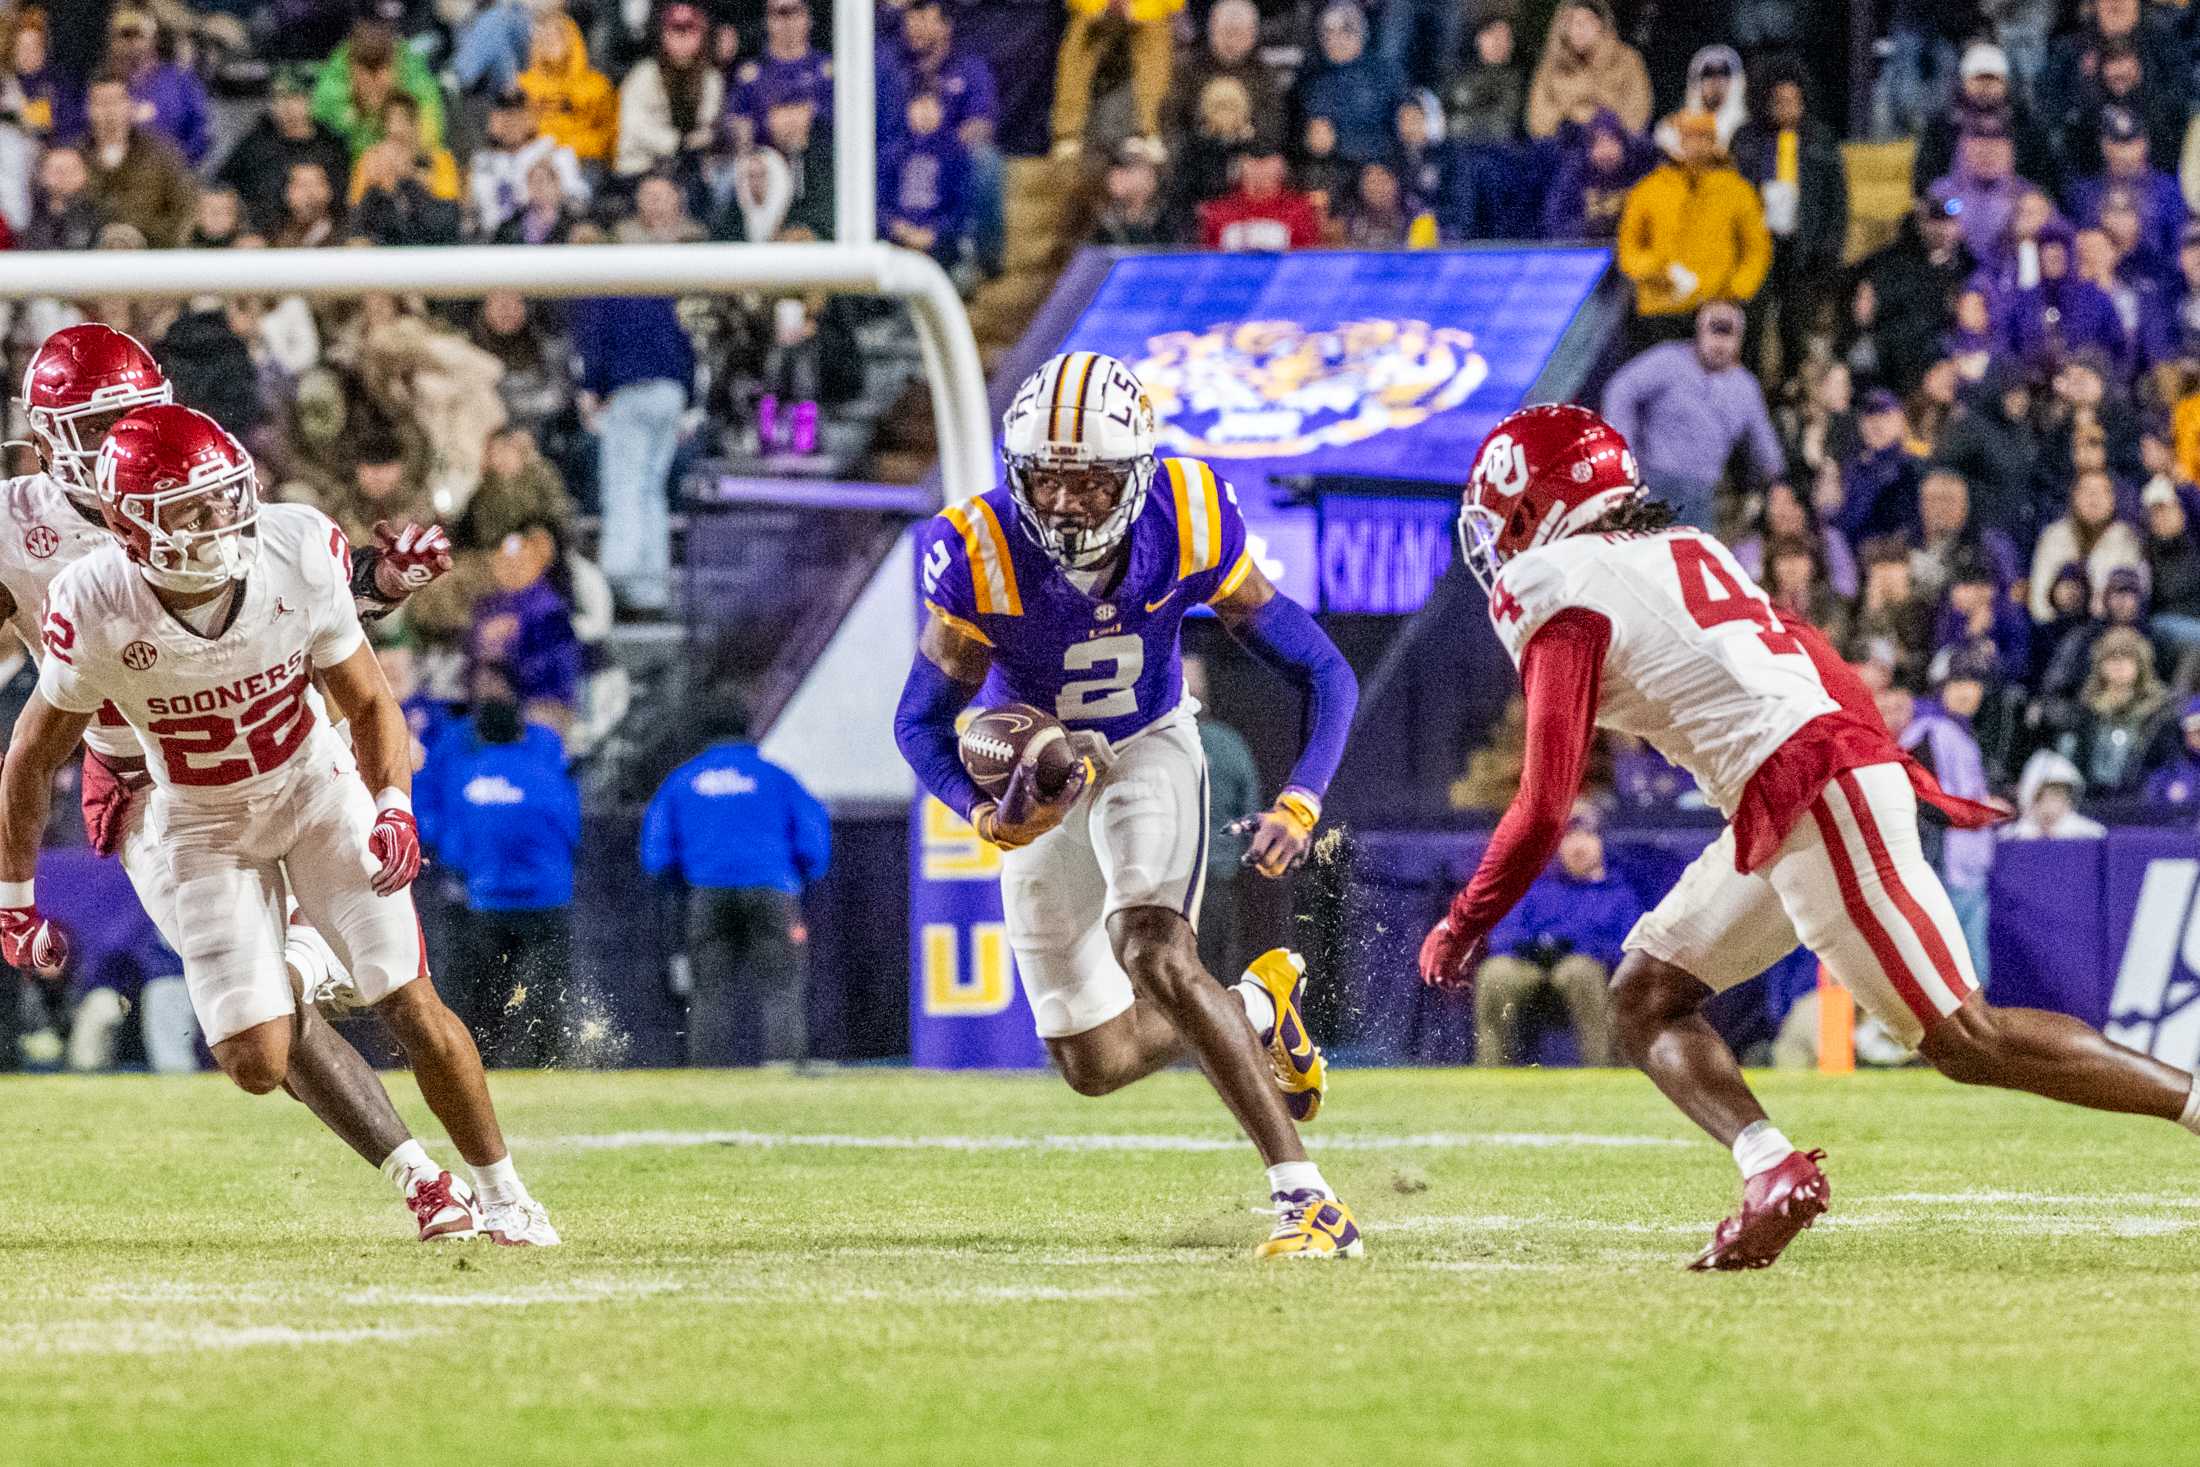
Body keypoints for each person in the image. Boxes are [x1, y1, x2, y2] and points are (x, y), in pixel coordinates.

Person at [1419, 402, 2200, 1273]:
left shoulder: (1555, 582)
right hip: (1796, 785)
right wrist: (1870, 761)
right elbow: (1811, 654)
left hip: (1808, 788)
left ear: (1542, 506)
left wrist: (1464, 917)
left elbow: (1543, 801)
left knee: (1967, 1039)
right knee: (1643, 996)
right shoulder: (1686, 548)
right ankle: (1770, 1168)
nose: (1500, 543)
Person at [0, 402, 558, 1247]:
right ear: (132, 527)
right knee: (255, 1061)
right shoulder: (94, 599)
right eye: (189, 508)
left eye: (223, 496)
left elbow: (368, 699)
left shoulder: (294, 544)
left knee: (403, 993)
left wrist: (393, 805)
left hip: (311, 785)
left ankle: (507, 1194)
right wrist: (14, 896)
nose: (218, 520)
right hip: (196, 816)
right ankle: (295, 967)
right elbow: (31, 756)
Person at [893, 351, 1363, 1259]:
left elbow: (1323, 670)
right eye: (1048, 477)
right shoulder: (978, 548)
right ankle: (1257, 1009)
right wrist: (985, 813)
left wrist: (1301, 799)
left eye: (1091, 480)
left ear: (1135, 474)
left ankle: (1307, 1199)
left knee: (1150, 945)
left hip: (1147, 744)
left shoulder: (1188, 515)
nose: (1065, 502)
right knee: (1094, 1062)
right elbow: (918, 724)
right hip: (1041, 775)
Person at [642, 695, 830, 1067]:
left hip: (706, 894)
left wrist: (683, 882)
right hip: (772, 892)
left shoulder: (682, 781)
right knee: (780, 988)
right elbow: (813, 841)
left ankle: (710, 1076)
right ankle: (783, 1071)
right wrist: (798, 876)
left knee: (709, 992)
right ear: (748, 730)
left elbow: (656, 855)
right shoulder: (776, 777)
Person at [422, 680, 580, 1068]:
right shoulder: (546, 773)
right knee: (547, 992)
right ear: (521, 729)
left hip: (487, 902)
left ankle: (479, 1064)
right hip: (547, 901)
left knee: (484, 994)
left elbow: (453, 847)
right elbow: (571, 830)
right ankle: (548, 1062)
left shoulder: (466, 777)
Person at [1471, 801, 1639, 1066]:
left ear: (1601, 841)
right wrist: (1538, 946)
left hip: (1587, 975)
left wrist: (1577, 945)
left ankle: (1602, 1072)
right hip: (1529, 969)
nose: (1578, 845)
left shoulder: (1619, 894)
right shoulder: (1535, 886)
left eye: (1587, 835)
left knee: (1579, 970)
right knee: (1496, 972)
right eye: (1568, 836)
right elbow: (1501, 937)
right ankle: (1492, 1071)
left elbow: (1628, 950)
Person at [1599, 300, 1785, 531]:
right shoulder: (1669, 360)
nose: (1719, 344)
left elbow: (1764, 442)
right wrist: (1625, 454)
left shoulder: (1746, 387)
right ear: (1699, 331)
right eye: (1714, 332)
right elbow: (1620, 390)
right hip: (1652, 482)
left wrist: (1779, 481)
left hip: (1703, 493)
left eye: (1728, 335)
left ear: (1740, 340)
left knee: (1696, 561)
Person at [572, 292, 693, 615]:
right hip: (671, 390)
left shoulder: (605, 290)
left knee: (624, 487)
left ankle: (618, 579)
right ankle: (651, 588)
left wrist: (592, 387)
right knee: (652, 491)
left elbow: (594, 342)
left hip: (631, 390)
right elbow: (684, 344)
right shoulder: (654, 289)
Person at [1615, 112, 1772, 345]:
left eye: (1703, 137)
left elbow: (1756, 250)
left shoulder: (1737, 190)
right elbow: (1628, 249)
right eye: (1688, 137)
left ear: (1714, 141)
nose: (1695, 145)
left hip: (1716, 308)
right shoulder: (1648, 190)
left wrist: (1735, 292)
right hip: (1661, 310)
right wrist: (1658, 270)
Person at [1184, 654, 1261, 986]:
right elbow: (1252, 816)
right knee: (1216, 972)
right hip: (1217, 879)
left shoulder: (1154, 747)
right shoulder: (1231, 745)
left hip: (1171, 881)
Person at [1050, 0, 1181, 160]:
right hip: (1095, 9)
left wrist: (1135, 11)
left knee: (1155, 33)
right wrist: (1102, 7)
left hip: (1145, 10)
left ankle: (1150, 132)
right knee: (1080, 36)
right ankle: (1068, 135)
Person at [80, 69, 196, 248]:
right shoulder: (75, 157)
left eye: (116, 102)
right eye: (101, 103)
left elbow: (185, 207)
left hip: (150, 259)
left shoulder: (162, 153)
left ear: (130, 105)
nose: (109, 111)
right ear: (88, 109)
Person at [616, 2, 722, 180]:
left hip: (691, 168)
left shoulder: (711, 79)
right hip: (641, 168)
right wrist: (676, 143)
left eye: (689, 30)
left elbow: (709, 126)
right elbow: (632, 126)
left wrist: (696, 141)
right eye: (675, 30)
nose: (682, 38)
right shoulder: (644, 75)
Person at [1525, 0, 1650, 139]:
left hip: (1612, 143)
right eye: (1572, 22)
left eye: (1588, 21)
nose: (1580, 28)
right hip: (1564, 142)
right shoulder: (1552, 63)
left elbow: (1637, 112)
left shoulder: (1627, 59)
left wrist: (1600, 118)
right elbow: (1537, 121)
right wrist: (1572, 112)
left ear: (1602, 25)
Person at [1197, 142, 1323, 251]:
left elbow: (1307, 261)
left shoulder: (1299, 210)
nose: (1260, 169)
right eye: (1253, 161)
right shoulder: (1218, 211)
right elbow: (1206, 261)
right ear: (1240, 167)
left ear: (1280, 167)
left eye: (1267, 162)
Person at [2003, 748, 2106, 838]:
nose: (2053, 807)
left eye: (2060, 797)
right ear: (2029, 796)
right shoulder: (2013, 835)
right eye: (2045, 798)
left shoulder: (2084, 832)